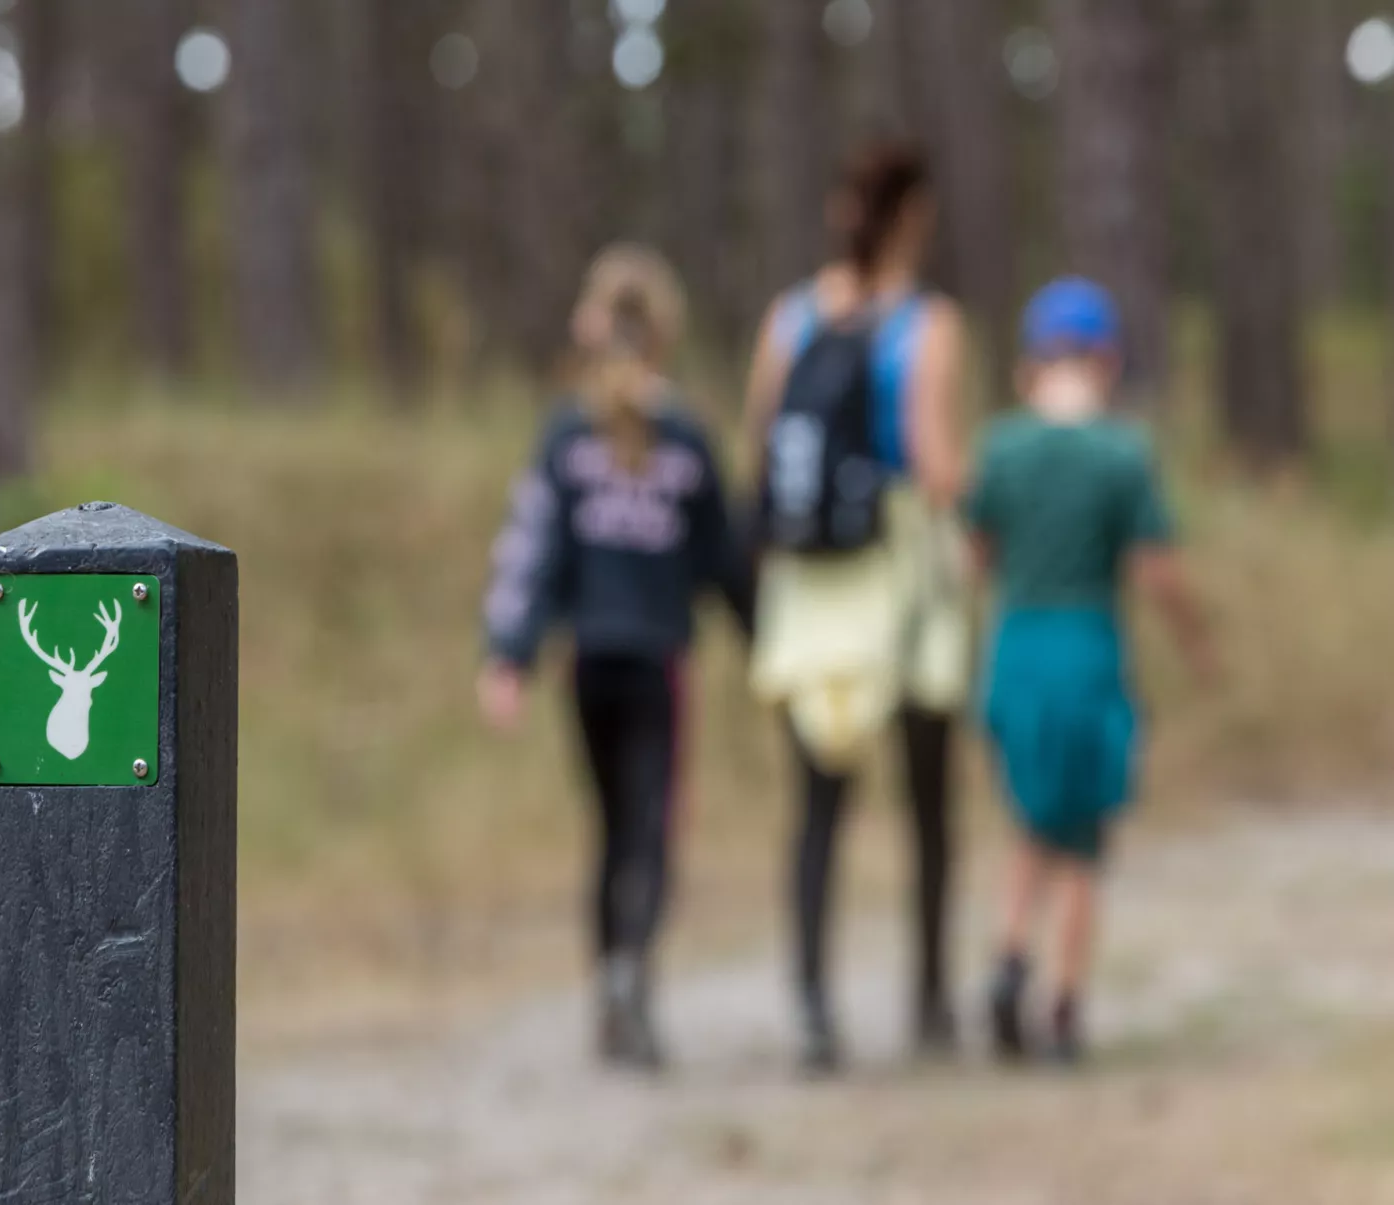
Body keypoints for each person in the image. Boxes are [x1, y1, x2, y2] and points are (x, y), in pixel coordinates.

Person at [478, 245, 753, 1071]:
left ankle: (608, 988)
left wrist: (509, 654)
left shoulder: (566, 431)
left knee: (608, 832)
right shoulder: (689, 436)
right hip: (660, 665)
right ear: (664, 332)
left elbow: (533, 551)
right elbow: (727, 562)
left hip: (589, 665)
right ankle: (633, 969)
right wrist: (776, 646)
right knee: (652, 828)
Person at [743, 142, 971, 1072]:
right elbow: (931, 456)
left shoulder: (790, 318)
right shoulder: (927, 323)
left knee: (818, 805)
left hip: (811, 584)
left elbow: (759, 445)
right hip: (901, 566)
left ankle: (811, 1004)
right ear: (912, 213)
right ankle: (927, 1001)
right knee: (928, 797)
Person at [965, 278, 1214, 1064]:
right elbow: (1156, 572)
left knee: (1031, 820)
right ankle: (1064, 1006)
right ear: (1105, 359)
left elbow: (973, 555)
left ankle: (1010, 956)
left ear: (1031, 362)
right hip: (1087, 644)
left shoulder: (1000, 448)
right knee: (1084, 839)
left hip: (1016, 644)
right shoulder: (1121, 453)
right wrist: (1198, 643)